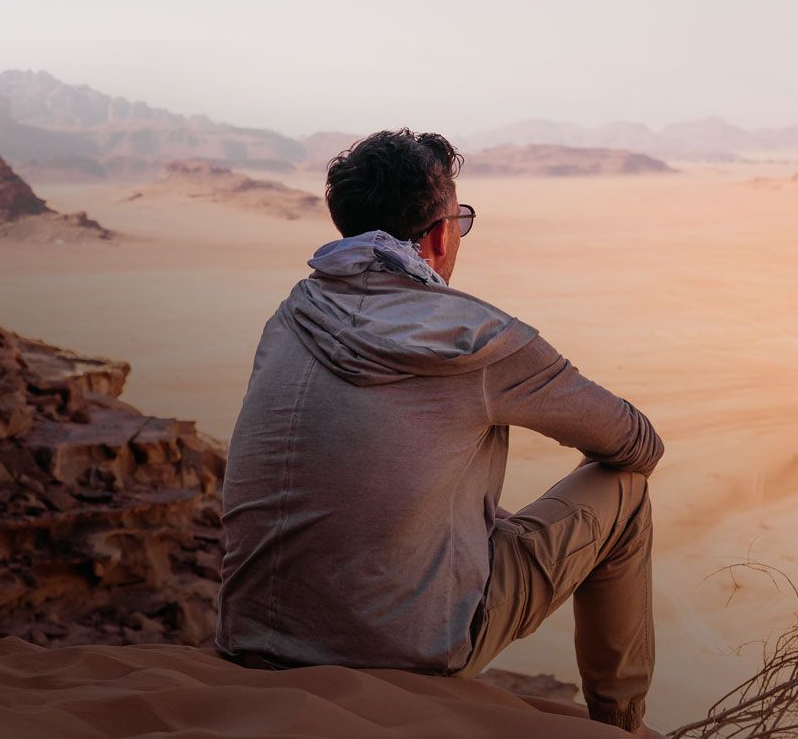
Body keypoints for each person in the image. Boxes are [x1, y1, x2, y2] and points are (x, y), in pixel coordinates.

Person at [215, 128, 663, 736]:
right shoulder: (477, 338)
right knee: (627, 492)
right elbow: (636, 444)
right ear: (439, 234)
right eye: (461, 219)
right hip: (406, 652)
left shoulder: (292, 313)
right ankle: (621, 728)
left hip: (247, 637)